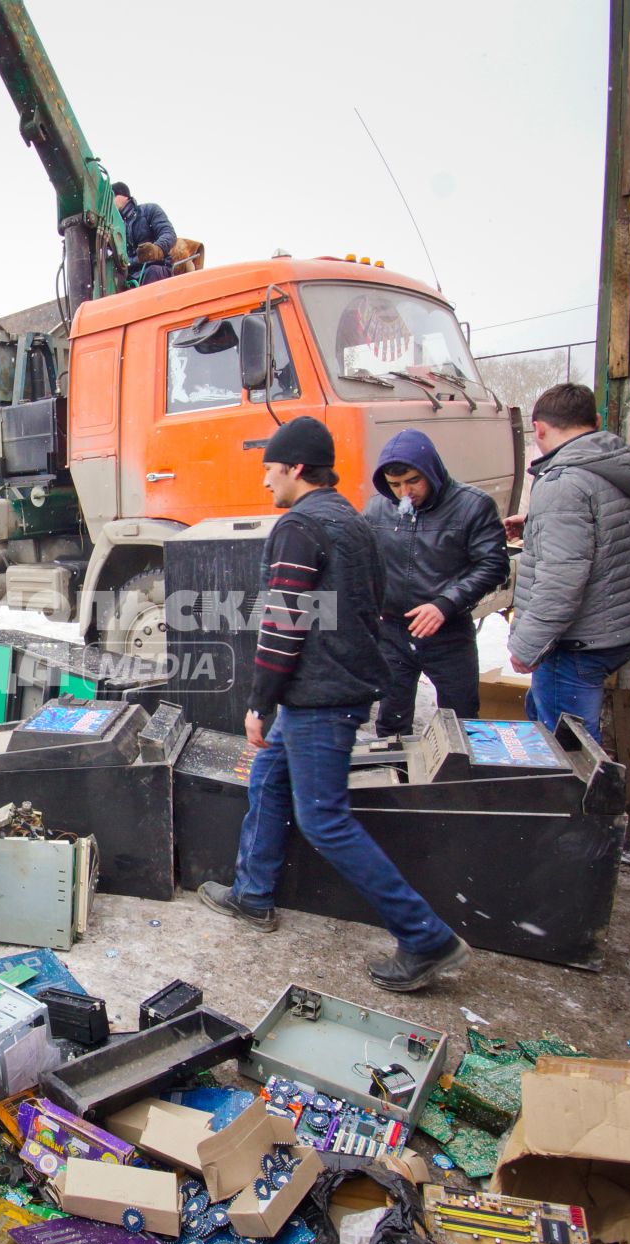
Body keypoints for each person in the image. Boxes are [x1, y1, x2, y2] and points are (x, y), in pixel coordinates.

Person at [199, 416, 469, 993]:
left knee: (324, 819)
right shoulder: (349, 518)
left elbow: (282, 624)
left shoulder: (299, 527)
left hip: (319, 697)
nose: (266, 482)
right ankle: (252, 894)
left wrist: (258, 701)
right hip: (332, 687)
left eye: (271, 469)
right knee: (268, 782)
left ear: (296, 468)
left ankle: (426, 937)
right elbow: (370, 603)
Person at [506, 384, 630, 743]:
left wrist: (528, 648)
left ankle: (577, 800)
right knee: (552, 726)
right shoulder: (629, 466)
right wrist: (535, 524)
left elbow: (562, 578)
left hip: (577, 641)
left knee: (568, 751)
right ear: (596, 421)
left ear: (539, 429)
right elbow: (609, 529)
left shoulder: (562, 483)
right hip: (621, 627)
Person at [361, 430, 509, 734]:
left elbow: (494, 565)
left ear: (433, 471)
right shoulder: (377, 509)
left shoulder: (472, 506)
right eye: (395, 485)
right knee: (391, 723)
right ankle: (398, 779)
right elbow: (362, 561)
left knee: (462, 722)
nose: (405, 492)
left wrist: (445, 604)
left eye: (413, 481)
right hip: (393, 632)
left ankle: (458, 779)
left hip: (449, 633)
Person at [112, 182, 177, 286]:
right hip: (128, 275)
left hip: (156, 268)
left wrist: (156, 249)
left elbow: (169, 234)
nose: (110, 201)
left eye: (113, 196)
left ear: (125, 196)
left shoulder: (150, 210)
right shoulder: (112, 226)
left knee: (152, 272)